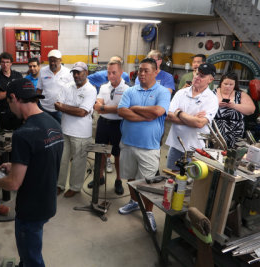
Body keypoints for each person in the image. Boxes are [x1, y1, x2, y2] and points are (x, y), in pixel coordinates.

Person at [0, 78, 64, 267]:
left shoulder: (23, 133)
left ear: (13, 98)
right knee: (32, 248)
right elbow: (42, 161)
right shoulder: (53, 123)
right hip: (47, 201)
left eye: (8, 103)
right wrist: (15, 165)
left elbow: (13, 184)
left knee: (31, 258)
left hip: (30, 209)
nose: (9, 107)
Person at [117, 58, 171, 233]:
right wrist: (144, 114)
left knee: (148, 184)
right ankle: (133, 201)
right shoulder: (131, 90)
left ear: (156, 72)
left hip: (149, 147)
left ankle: (148, 212)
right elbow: (121, 111)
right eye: (140, 70)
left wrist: (134, 108)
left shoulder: (163, 92)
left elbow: (158, 111)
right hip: (127, 143)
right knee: (131, 178)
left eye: (146, 70)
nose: (141, 73)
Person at [165, 63, 219, 171]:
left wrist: (179, 113)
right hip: (176, 144)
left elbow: (199, 124)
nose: (197, 77)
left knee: (190, 180)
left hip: (195, 148)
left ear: (210, 79)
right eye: (197, 74)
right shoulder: (181, 93)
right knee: (172, 176)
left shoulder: (211, 99)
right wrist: (192, 119)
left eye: (202, 76)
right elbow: (167, 115)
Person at [55, 62, 97, 198]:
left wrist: (64, 107)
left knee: (78, 162)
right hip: (65, 130)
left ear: (86, 73)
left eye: (79, 72)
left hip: (81, 133)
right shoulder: (67, 86)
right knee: (61, 159)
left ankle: (75, 187)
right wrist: (74, 108)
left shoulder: (91, 90)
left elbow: (81, 113)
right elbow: (56, 105)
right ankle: (59, 185)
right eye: (74, 72)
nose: (76, 75)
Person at [87, 59, 129, 195]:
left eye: (114, 73)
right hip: (103, 123)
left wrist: (104, 107)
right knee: (100, 151)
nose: (111, 76)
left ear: (121, 72)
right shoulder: (104, 87)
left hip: (118, 125)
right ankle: (99, 177)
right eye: (109, 73)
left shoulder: (127, 90)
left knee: (118, 154)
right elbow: (97, 106)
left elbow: (122, 109)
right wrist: (107, 108)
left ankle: (118, 180)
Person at [214, 72, 255, 148]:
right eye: (225, 84)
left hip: (235, 132)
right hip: (215, 130)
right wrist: (216, 105)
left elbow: (251, 110)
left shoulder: (241, 94)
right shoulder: (212, 93)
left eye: (231, 84)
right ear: (221, 83)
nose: (228, 86)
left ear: (235, 85)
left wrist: (234, 106)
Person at [37, 49, 73, 123]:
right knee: (46, 130)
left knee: (60, 130)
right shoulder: (43, 71)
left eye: (55, 61)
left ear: (60, 60)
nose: (52, 63)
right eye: (51, 60)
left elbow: (72, 91)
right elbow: (39, 90)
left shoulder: (68, 72)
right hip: (44, 108)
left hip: (61, 110)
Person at [0, 52, 23, 131]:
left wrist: (5, 92)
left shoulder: (18, 75)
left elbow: (21, 92)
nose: (5, 65)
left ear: (11, 63)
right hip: (3, 113)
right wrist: (12, 90)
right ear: (0, 63)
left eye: (7, 62)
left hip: (17, 112)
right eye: (3, 62)